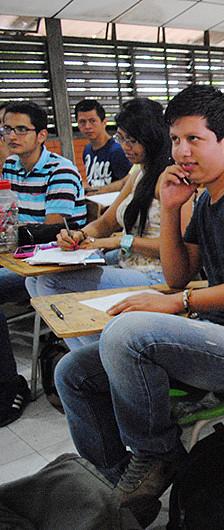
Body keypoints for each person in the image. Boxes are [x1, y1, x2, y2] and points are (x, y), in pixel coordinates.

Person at [54, 84, 224, 520]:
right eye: (175, 139)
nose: (182, 151)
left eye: (195, 139)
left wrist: (182, 302)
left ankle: (158, 453)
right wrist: (171, 208)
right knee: (72, 372)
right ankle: (120, 484)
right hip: (219, 331)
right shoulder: (206, 194)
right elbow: (176, 274)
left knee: (128, 333)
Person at [26, 98, 192, 351]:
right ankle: (93, 353)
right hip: (128, 262)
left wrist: (119, 240)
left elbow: (178, 250)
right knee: (34, 281)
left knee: (50, 283)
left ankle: (95, 355)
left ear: (153, 138)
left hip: (157, 273)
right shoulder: (139, 172)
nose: (124, 146)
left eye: (132, 141)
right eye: (121, 138)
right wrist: (80, 234)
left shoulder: (171, 179)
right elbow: (106, 221)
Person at [0, 101, 86, 427]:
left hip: (51, 263)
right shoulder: (10, 166)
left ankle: (9, 388)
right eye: (7, 129)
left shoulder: (60, 170)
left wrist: (13, 236)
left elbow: (52, 230)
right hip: (17, 256)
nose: (12, 135)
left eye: (21, 129)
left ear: (41, 135)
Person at [76, 99, 132, 194]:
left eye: (92, 121)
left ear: (104, 122)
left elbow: (129, 182)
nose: (87, 126)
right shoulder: (87, 150)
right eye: (82, 122)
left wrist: (99, 191)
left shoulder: (118, 150)